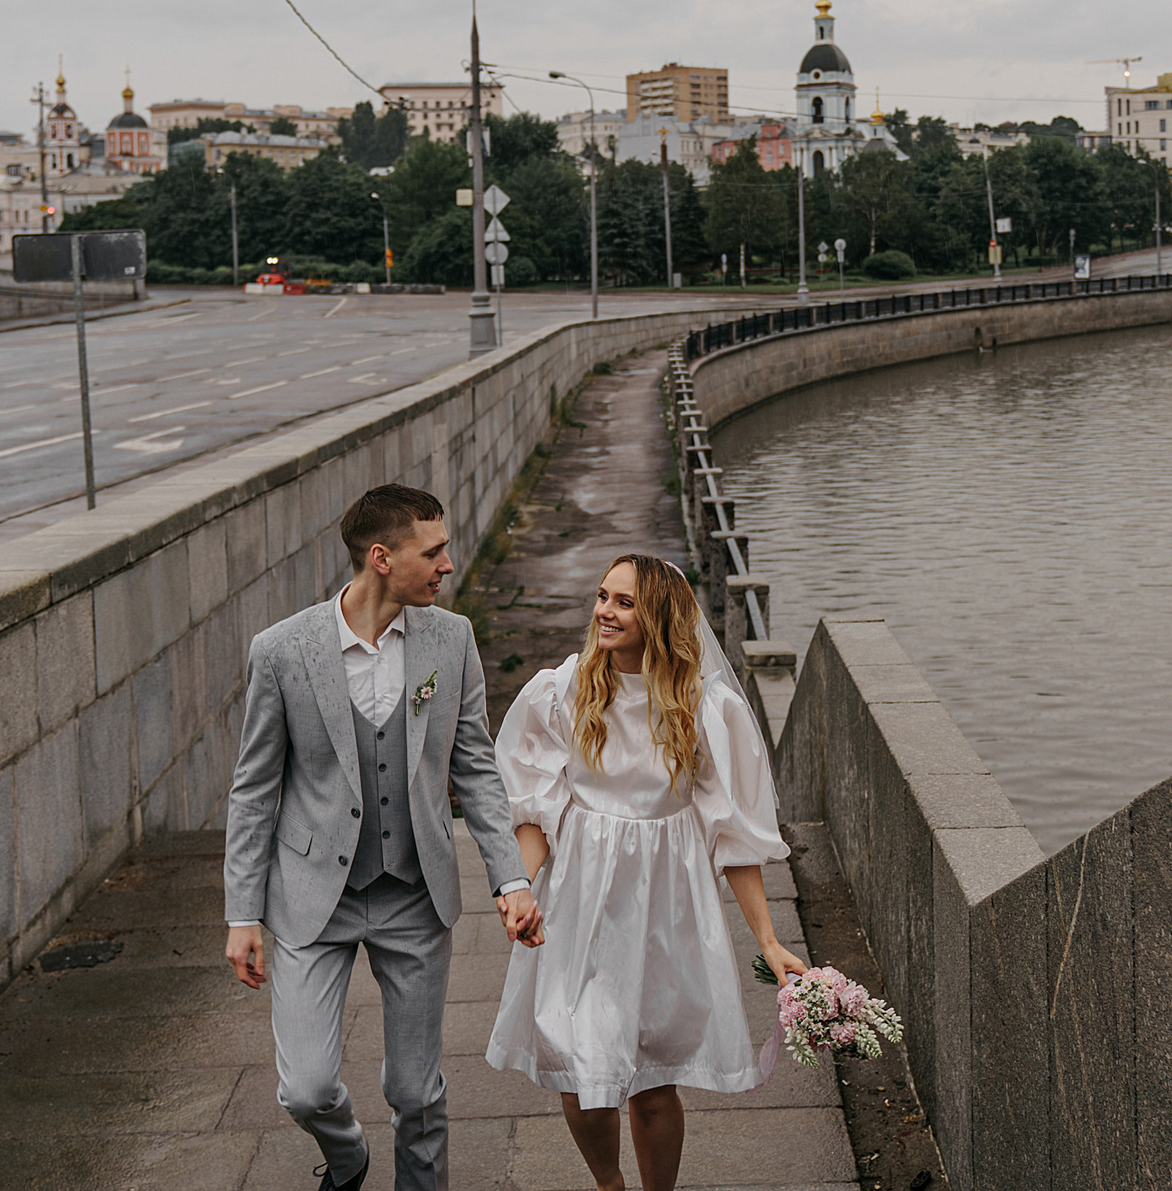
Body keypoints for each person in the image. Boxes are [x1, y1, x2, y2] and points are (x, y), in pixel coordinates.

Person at [224, 484, 544, 1191]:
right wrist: (242, 913)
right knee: (305, 1088)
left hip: (414, 891)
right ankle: (346, 1156)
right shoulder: (281, 651)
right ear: (381, 557)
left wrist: (511, 879)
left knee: (416, 1092)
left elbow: (476, 766)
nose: (447, 564)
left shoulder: (450, 639)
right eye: (432, 551)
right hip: (312, 897)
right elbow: (253, 788)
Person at [485, 554, 806, 1191]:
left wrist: (767, 939)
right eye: (603, 596)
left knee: (653, 1083)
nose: (605, 610)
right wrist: (518, 888)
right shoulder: (564, 690)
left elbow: (733, 835)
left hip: (665, 902)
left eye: (625, 602)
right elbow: (535, 805)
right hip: (581, 896)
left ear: (658, 616)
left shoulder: (706, 707)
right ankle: (609, 1184)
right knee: (578, 1067)